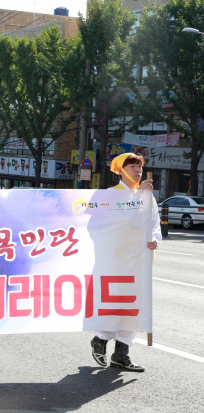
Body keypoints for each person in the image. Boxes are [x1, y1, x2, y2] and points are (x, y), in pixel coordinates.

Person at [91, 153, 160, 372]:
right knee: (116, 305)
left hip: (141, 262)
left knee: (135, 309)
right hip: (115, 262)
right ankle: (100, 339)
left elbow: (155, 225)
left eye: (139, 166)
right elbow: (98, 226)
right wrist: (138, 197)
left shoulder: (148, 196)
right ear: (120, 170)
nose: (137, 170)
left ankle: (122, 354)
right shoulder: (109, 195)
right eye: (132, 166)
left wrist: (155, 240)